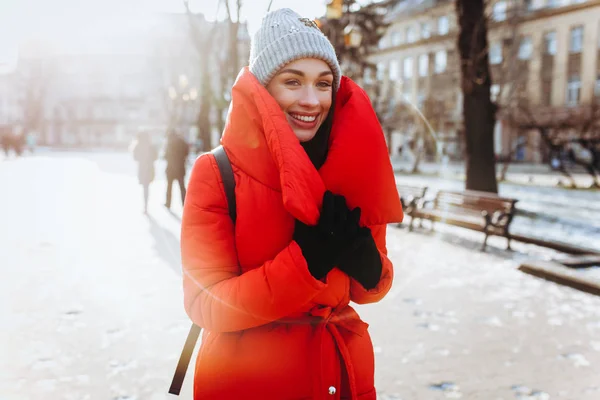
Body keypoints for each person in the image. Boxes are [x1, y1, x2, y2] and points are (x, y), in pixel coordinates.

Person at [180, 8, 403, 400]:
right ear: (263, 87)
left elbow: (370, 289)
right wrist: (305, 265)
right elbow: (204, 305)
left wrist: (368, 265)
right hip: (250, 384)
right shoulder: (216, 173)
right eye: (293, 81)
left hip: (339, 376)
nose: (311, 100)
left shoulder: (349, 164)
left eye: (323, 83)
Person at [132, 131, 158, 214]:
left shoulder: (138, 146)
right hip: (150, 168)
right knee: (146, 187)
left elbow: (135, 157)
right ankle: (146, 205)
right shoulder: (151, 146)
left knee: (145, 187)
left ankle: (145, 206)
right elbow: (155, 157)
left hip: (142, 169)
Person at [164, 130, 190, 209]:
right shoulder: (182, 142)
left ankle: (168, 203)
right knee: (182, 187)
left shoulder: (169, 143)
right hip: (180, 168)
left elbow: (166, 155)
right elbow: (187, 152)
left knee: (169, 187)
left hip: (171, 168)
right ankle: (184, 203)